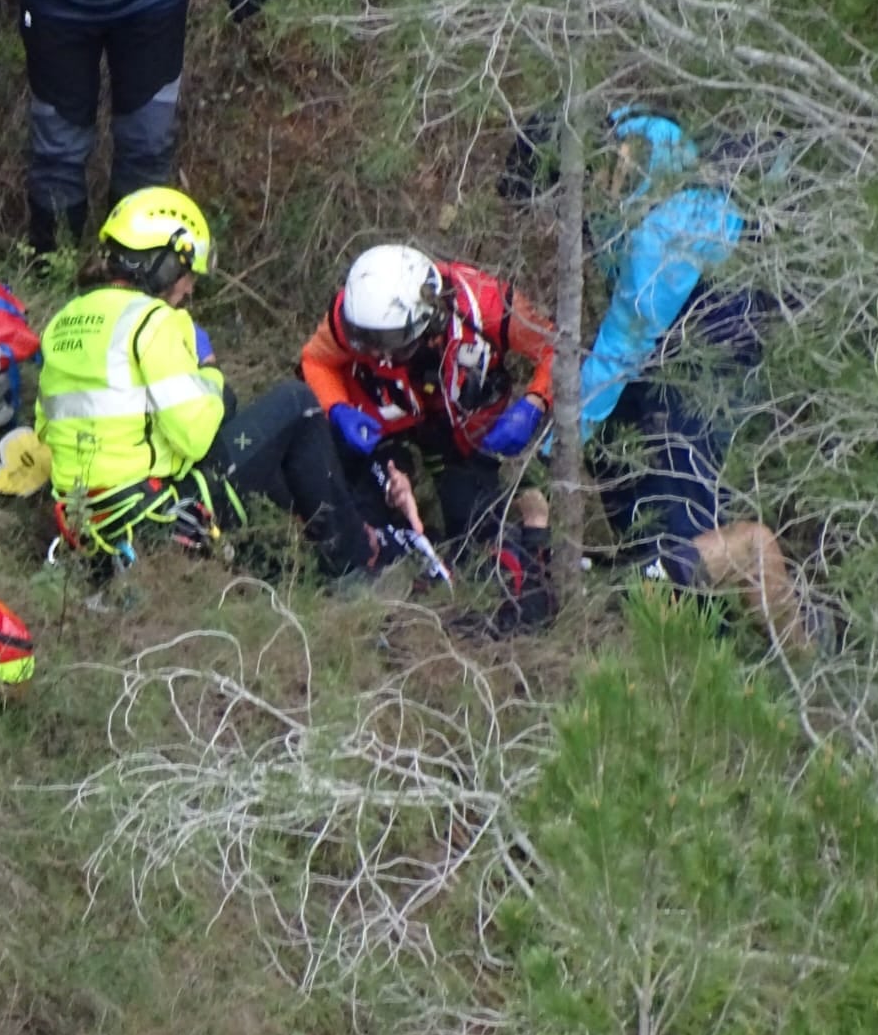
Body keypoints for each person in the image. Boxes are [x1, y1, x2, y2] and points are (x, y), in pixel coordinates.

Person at [505, 104, 812, 647]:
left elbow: (623, 343)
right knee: (617, 443)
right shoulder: (633, 144)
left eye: (554, 192)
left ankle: (767, 636)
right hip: (662, 338)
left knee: (680, 514)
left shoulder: (660, 233)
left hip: (712, 350)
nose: (555, 213)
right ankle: (656, 586)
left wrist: (555, 448)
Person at [35, 186, 393, 583]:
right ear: (164, 265)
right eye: (187, 274)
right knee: (296, 404)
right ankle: (354, 569)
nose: (188, 289)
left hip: (85, 522)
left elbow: (47, 429)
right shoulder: (153, 321)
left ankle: (292, 547)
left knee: (245, 420)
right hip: (151, 519)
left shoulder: (62, 321)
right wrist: (207, 370)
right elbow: (195, 435)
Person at [0, 0, 272, 256]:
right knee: (58, 151)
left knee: (147, 144)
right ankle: (50, 279)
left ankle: (132, 277)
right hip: (53, 2)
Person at [298, 243, 558, 626]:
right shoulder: (356, 314)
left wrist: (534, 404)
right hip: (386, 430)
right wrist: (337, 408)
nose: (374, 353)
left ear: (424, 321)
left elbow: (555, 348)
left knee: (471, 526)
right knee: (369, 522)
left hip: (465, 434)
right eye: (366, 342)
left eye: (384, 343)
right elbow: (317, 359)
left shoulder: (483, 304)